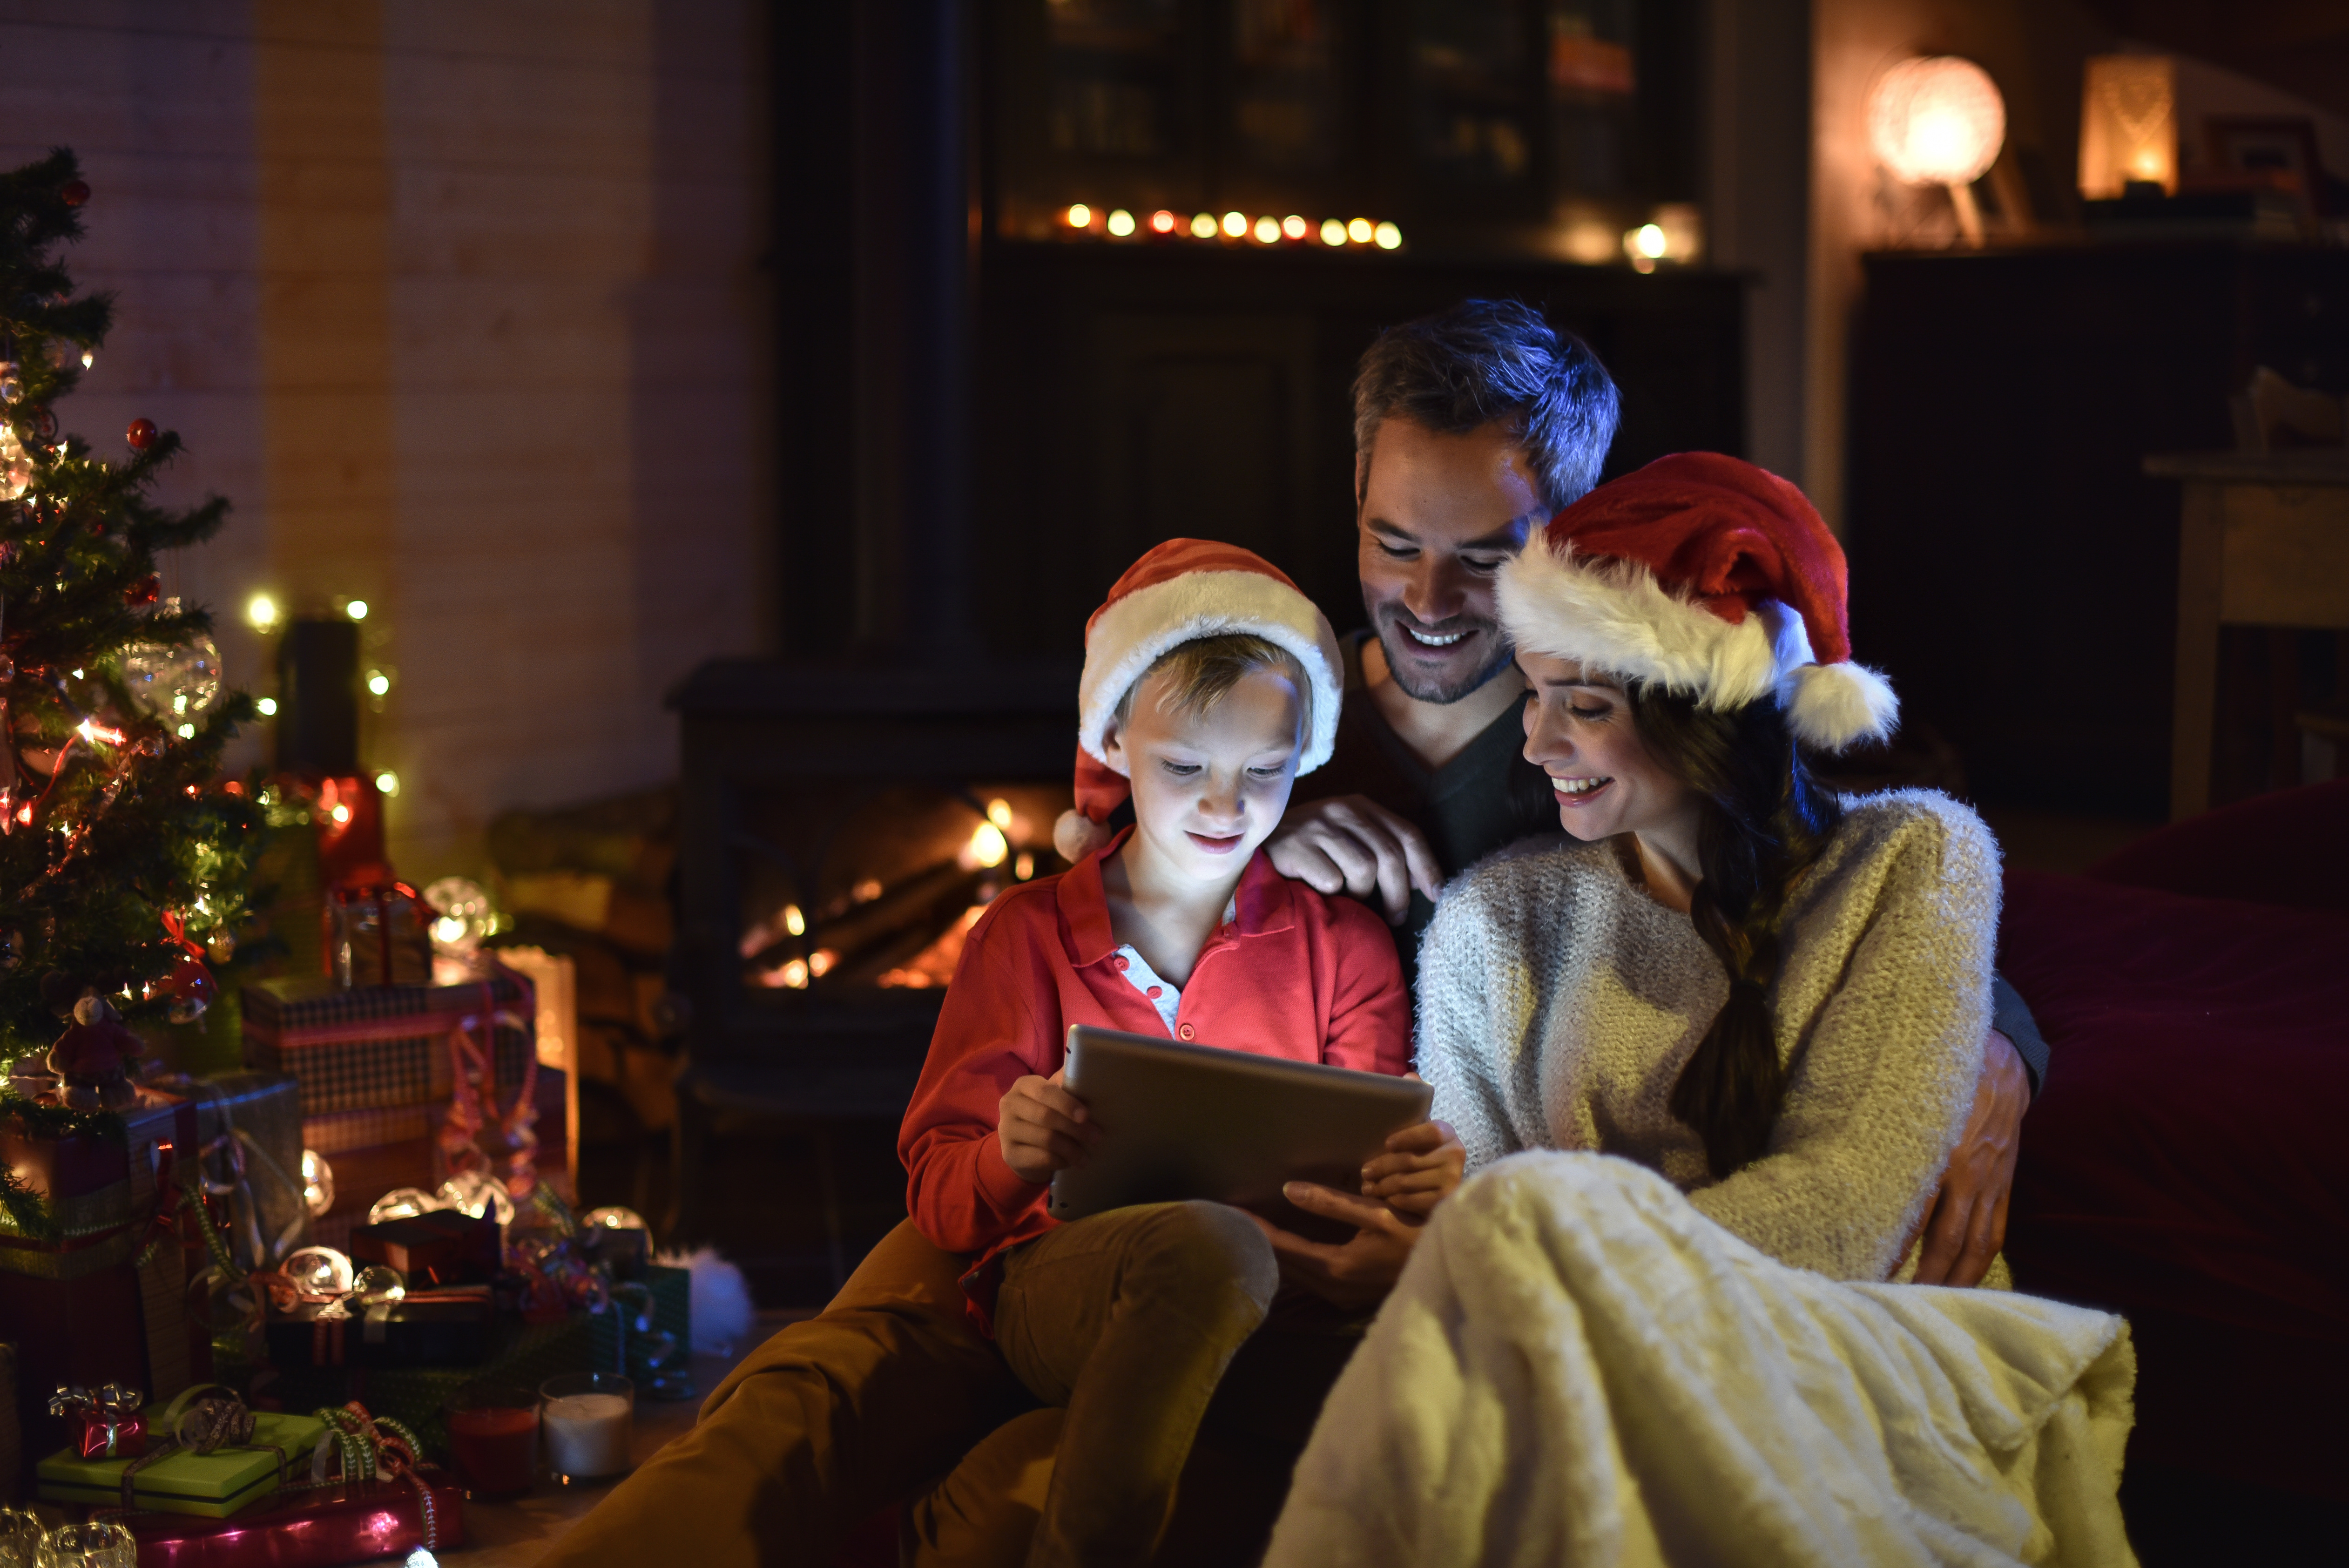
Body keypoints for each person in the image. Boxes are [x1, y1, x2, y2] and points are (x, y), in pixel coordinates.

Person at [1261, 454, 2135, 1566]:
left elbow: (1846, 1213)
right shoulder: (1496, 915)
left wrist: (1499, 1254)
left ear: (1707, 716)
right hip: (1569, 1355)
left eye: (1583, 705)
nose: (1537, 744)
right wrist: (1435, 1233)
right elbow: (1471, 1188)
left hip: (1850, 1342)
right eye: (1534, 696)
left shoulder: (1914, 861)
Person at [1269, 299, 2042, 1291]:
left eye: (1484, 560)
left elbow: (1834, 876)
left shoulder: (1646, 735)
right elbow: (1107, 914)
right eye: (1395, 544)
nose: (1427, 602)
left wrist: (1997, 1047)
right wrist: (1247, 848)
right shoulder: (1266, 727)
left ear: (1572, 539)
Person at [898, 538, 1462, 1567]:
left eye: (1264, 771)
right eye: (1185, 768)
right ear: (1114, 741)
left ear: (1306, 754)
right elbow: (940, 1195)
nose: (1225, 806)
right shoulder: (1023, 938)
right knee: (1214, 1249)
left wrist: (1415, 1181)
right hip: (1067, 1289)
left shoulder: (1345, 948)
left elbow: (1367, 1169)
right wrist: (1011, 1150)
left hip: (1287, 1313)